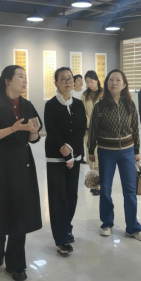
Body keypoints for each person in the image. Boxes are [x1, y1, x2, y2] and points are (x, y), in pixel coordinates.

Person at [0, 65, 42, 281]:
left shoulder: (27, 105)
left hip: (22, 162)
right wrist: (14, 128)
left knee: (19, 211)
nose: (24, 80)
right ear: (7, 80)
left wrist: (33, 133)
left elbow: (34, 138)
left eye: (26, 77)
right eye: (20, 76)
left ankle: (16, 264)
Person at [88, 69, 141, 241]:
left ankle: (133, 227)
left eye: (118, 80)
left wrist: (137, 151)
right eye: (111, 79)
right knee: (105, 189)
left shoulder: (130, 104)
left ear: (124, 84)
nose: (114, 82)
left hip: (127, 152)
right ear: (106, 83)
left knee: (130, 190)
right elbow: (93, 129)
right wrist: (91, 150)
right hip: (106, 152)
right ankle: (107, 223)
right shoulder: (100, 106)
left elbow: (135, 128)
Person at [44, 67, 87, 254]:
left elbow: (81, 129)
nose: (68, 82)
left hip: (74, 156)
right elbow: (52, 131)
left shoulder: (78, 104)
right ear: (56, 83)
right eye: (63, 79)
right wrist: (65, 153)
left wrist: (71, 150)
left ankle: (66, 227)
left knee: (71, 195)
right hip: (55, 157)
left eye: (70, 78)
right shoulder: (51, 105)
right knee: (58, 196)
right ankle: (61, 238)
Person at [81, 71, 104, 196]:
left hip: (102, 131)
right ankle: (93, 183)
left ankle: (100, 184)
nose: (89, 84)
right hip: (88, 132)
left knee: (99, 158)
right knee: (91, 158)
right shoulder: (85, 95)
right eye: (87, 82)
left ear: (97, 80)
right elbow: (81, 112)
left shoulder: (104, 93)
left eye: (91, 81)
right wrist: (89, 123)